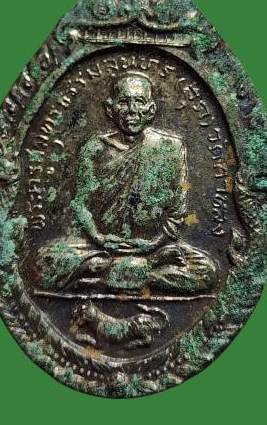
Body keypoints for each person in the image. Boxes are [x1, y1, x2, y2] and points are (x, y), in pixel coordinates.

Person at [29, 71, 217, 293]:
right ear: (110, 109)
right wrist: (99, 238)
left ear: (151, 110)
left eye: (139, 102)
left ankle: (113, 277)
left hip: (153, 250)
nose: (132, 110)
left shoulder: (170, 147)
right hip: (100, 250)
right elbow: (80, 205)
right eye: (124, 102)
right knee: (41, 265)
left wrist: (153, 244)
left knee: (205, 271)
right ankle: (138, 275)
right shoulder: (95, 148)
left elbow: (176, 213)